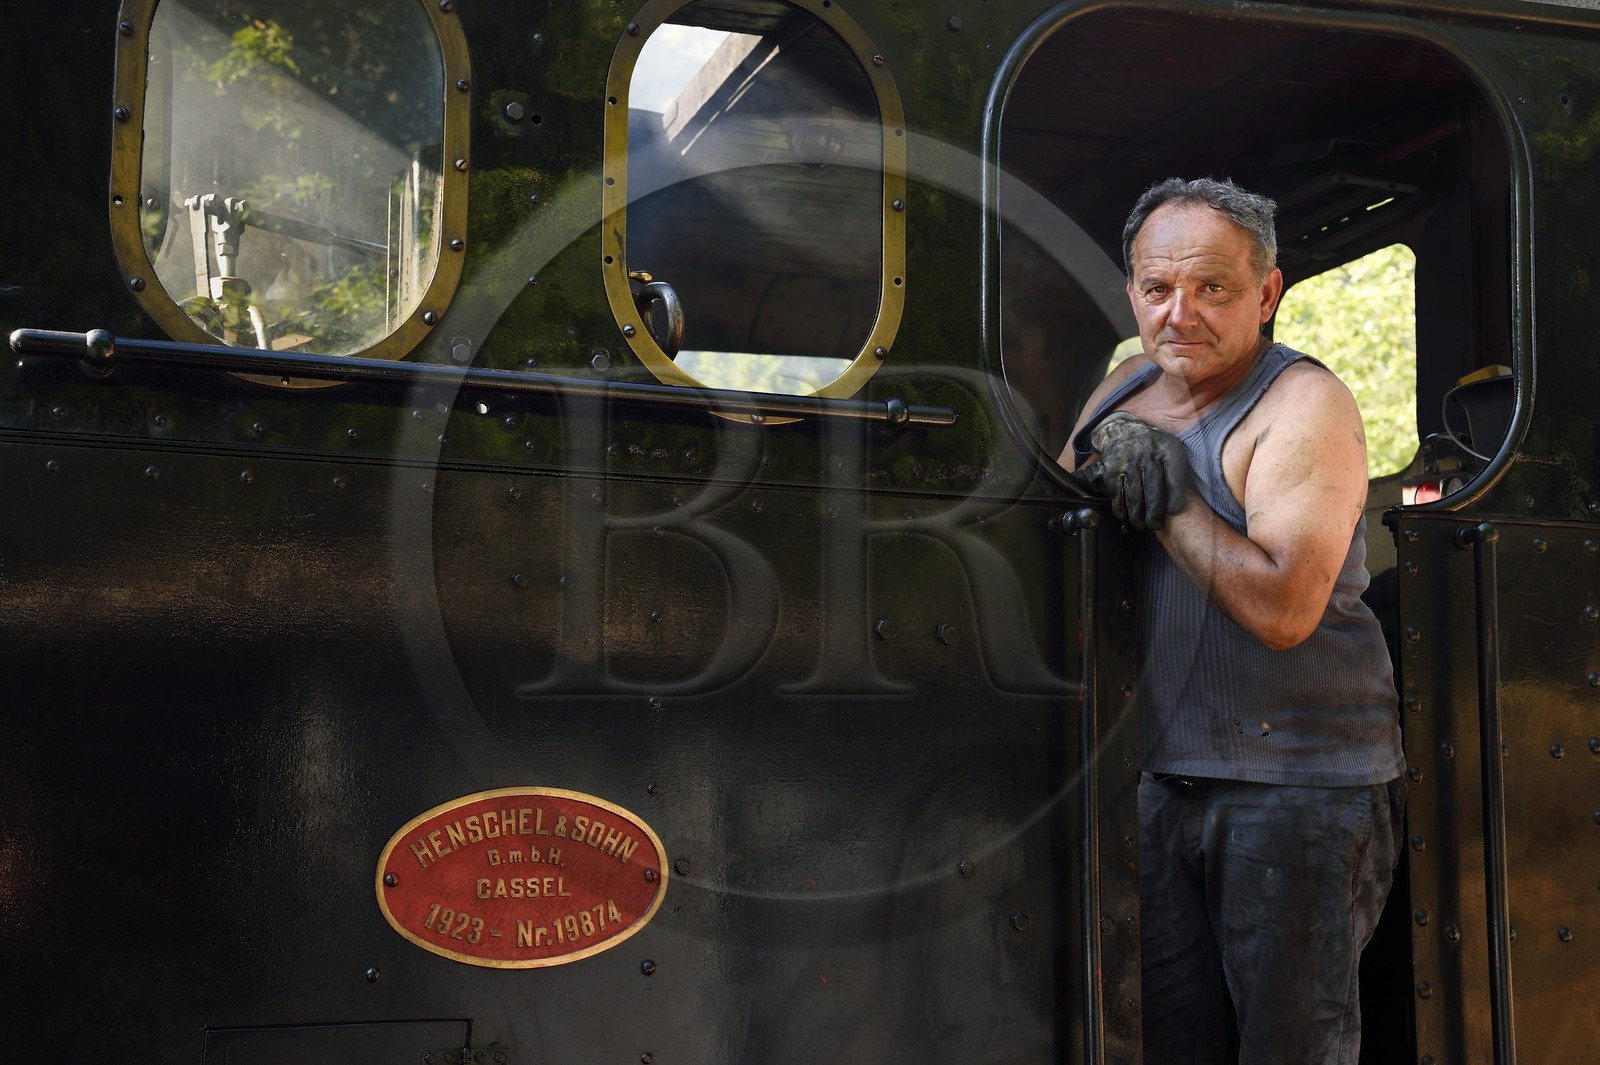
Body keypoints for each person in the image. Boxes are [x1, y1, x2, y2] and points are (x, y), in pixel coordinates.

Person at [1061, 177, 1406, 1064]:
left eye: (1212, 288)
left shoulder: (1302, 407)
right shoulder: (1119, 390)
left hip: (1296, 787)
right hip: (1155, 778)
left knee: (1290, 1047)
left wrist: (1168, 489)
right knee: (1163, 1042)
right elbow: (1050, 537)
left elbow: (1287, 608)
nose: (1180, 312)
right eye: (1157, 288)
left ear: (1266, 293)